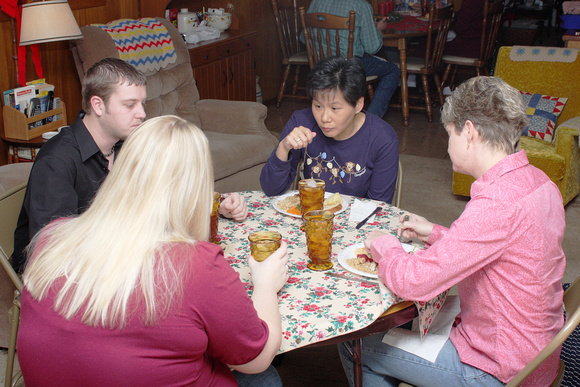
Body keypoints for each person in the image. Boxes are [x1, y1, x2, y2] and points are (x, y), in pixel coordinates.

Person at [17, 115, 288, 386]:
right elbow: (256, 359)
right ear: (195, 188)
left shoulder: (50, 240)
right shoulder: (197, 265)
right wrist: (265, 284)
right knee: (265, 377)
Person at [339, 76, 566, 386]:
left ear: (469, 132)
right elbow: (493, 246)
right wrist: (434, 232)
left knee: (355, 343)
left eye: (449, 134)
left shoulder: (496, 204)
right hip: (537, 352)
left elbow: (415, 283)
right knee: (410, 322)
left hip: (500, 369)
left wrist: (385, 246)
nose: (447, 145)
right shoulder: (539, 182)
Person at [12, 58, 248, 273]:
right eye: (129, 105)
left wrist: (214, 208)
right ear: (98, 105)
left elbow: (164, 198)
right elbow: (52, 252)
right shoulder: (57, 161)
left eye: (142, 103)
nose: (142, 113)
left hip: (117, 256)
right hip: (66, 275)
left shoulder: (126, 145)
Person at [260, 56, 399, 204]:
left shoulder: (383, 139)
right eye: (318, 106)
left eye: (335, 108)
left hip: (356, 223)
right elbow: (271, 190)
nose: (324, 118)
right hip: (309, 218)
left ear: (358, 104)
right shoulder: (302, 122)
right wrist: (284, 147)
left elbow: (378, 208)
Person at [305, 0, 401, 118]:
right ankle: (371, 119)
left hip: (322, 63)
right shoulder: (361, 5)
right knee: (393, 71)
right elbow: (373, 47)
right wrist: (377, 29)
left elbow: (304, 38)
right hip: (348, 65)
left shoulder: (316, 2)